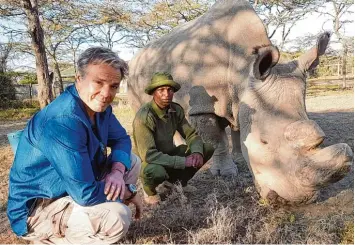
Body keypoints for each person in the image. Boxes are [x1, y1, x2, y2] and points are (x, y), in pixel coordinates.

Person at [7, 47, 142, 244]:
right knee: (117, 217)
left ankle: (83, 222)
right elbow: (85, 193)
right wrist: (129, 192)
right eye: (98, 82)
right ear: (79, 78)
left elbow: (122, 139)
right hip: (40, 207)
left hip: (72, 187)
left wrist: (117, 172)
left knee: (130, 161)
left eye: (113, 86)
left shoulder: (100, 109)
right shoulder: (63, 120)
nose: (106, 94)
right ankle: (52, 237)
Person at [133, 72, 214, 205]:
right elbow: (149, 155)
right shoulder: (144, 116)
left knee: (206, 148)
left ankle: (177, 183)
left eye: (170, 90)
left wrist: (197, 152)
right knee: (155, 171)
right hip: (150, 162)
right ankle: (150, 192)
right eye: (161, 90)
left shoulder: (175, 110)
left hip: (169, 154)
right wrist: (183, 162)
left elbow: (191, 135)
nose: (166, 94)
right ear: (153, 93)